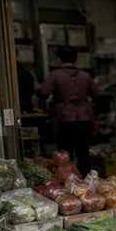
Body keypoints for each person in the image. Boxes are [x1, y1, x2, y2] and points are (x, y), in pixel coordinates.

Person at [36, 46, 101, 176]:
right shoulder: (85, 75)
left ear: (59, 59)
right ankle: (87, 181)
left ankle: (69, 181)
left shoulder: (55, 75)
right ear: (76, 59)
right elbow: (97, 94)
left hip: (64, 119)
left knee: (64, 154)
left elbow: (43, 92)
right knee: (83, 152)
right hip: (84, 118)